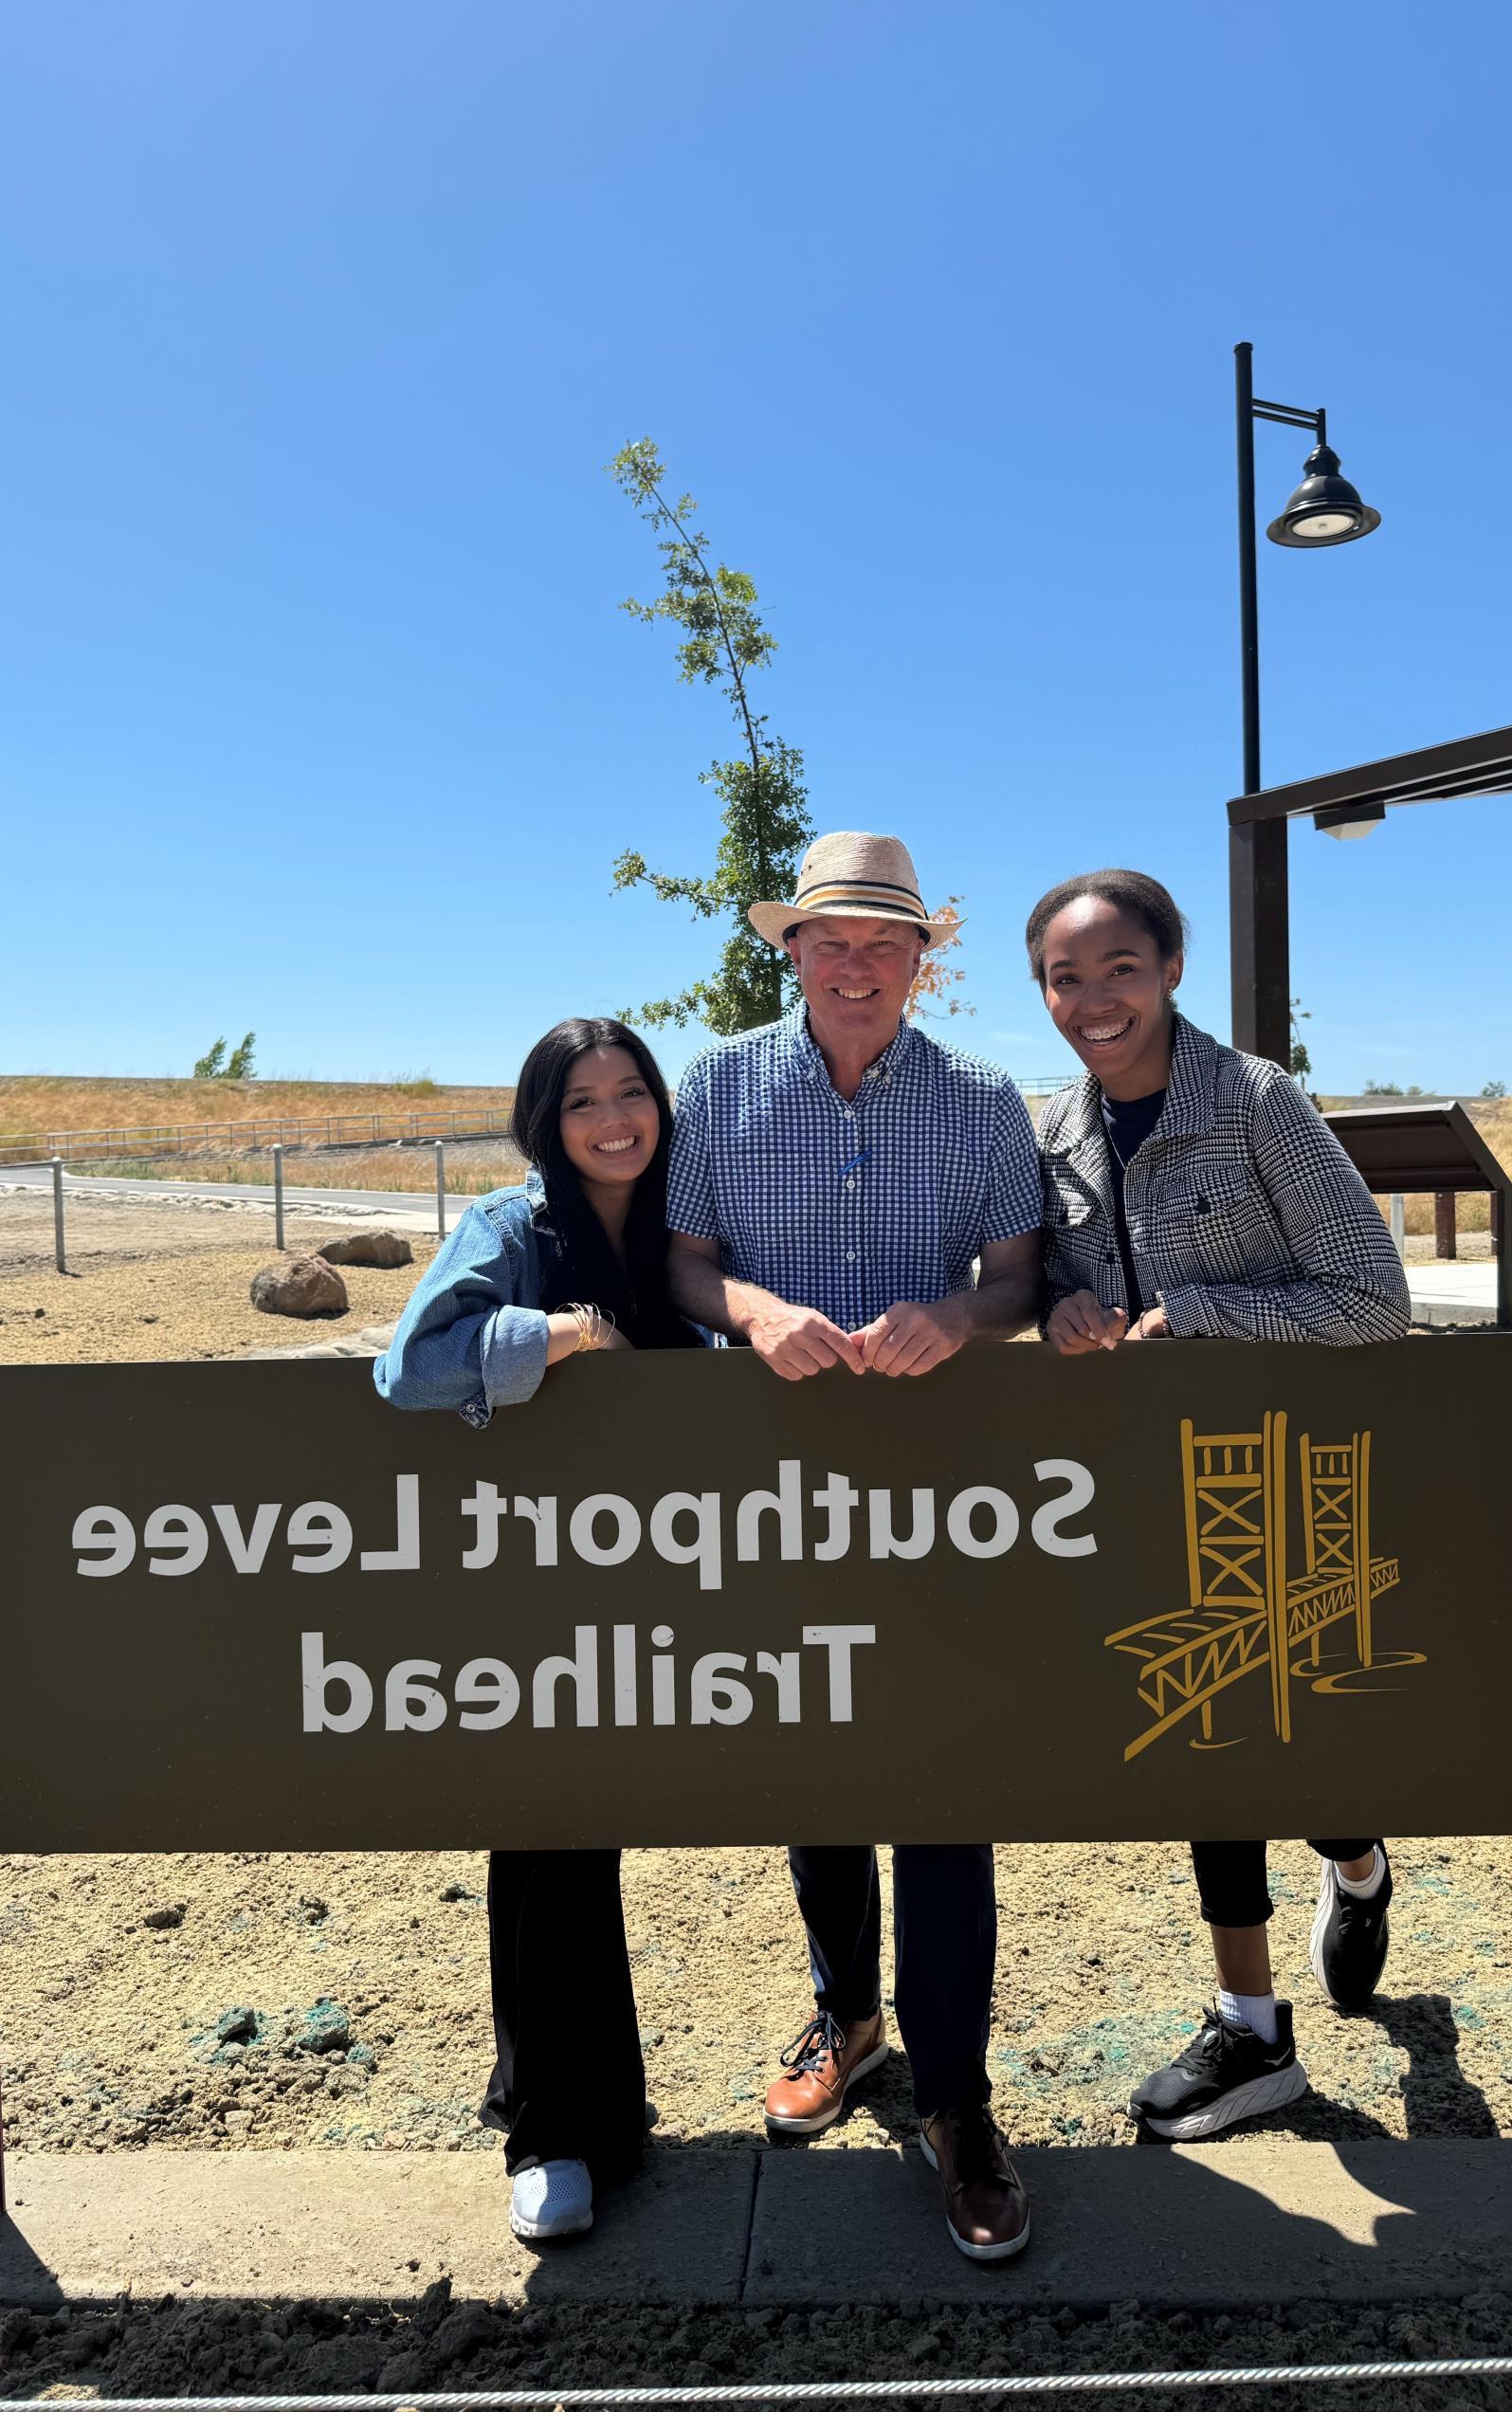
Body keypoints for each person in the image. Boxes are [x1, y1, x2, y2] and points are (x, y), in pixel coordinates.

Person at [666, 831, 1043, 2262]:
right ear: (792, 949)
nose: (858, 965)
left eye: (887, 944)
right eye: (833, 939)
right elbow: (682, 1260)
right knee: (812, 1760)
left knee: (942, 1778)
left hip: (935, 1495)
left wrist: (964, 1317)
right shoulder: (716, 1086)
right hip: (765, 1495)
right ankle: (852, 2019)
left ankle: (958, 2099)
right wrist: (754, 1312)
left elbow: (1018, 1275)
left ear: (921, 962)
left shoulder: (983, 1101)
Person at [1025, 868, 1411, 2143]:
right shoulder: (1053, 1135)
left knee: (1291, 1744)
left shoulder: (1256, 1103)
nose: (1095, 1000)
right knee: (1209, 1733)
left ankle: (1355, 1862)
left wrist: (1198, 1317)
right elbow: (1052, 1294)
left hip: (1287, 1483)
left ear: (1173, 967)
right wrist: (1057, 1315)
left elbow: (1373, 1299)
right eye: (1066, 979)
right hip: (1151, 1493)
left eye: (1119, 969)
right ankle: (1254, 2033)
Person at [373, 1018, 703, 2243]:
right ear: (544, 1122)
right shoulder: (514, 1231)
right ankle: (547, 2131)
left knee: (596, 1839)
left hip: (655, 1585)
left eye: (631, 1093)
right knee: (544, 1835)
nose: (612, 1119)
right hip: (532, 1588)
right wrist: (566, 1334)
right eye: (581, 1102)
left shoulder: (686, 1230)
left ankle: (607, 2115)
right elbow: (409, 1365)